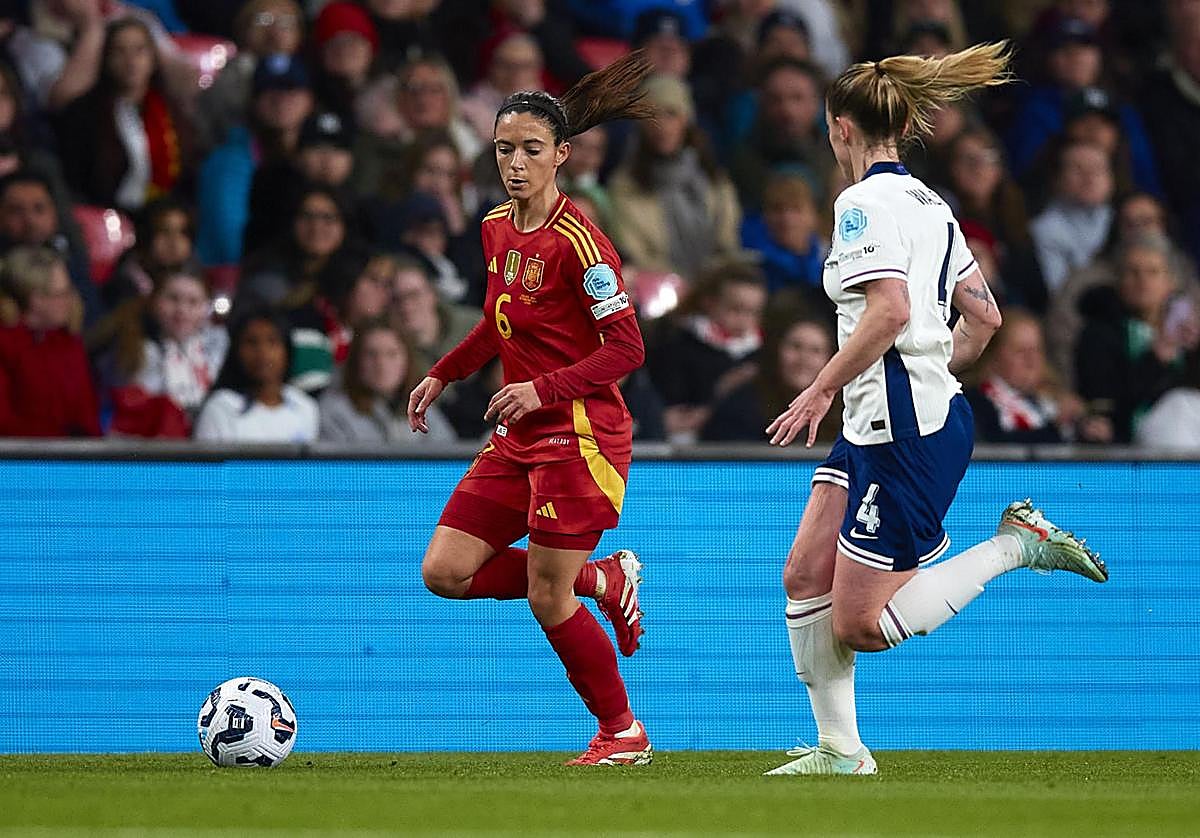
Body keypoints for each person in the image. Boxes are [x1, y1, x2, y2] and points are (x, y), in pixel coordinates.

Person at [762, 42, 1108, 777]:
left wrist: (822, 387)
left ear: (840, 128)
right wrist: (930, 373)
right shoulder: (931, 203)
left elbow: (888, 309)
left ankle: (1015, 546)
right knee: (804, 575)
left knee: (860, 624)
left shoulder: (860, 204)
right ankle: (840, 750)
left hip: (903, 436)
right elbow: (984, 316)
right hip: (889, 422)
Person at [406, 52, 656, 766]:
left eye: (531, 150)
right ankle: (601, 578)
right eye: (504, 149)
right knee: (445, 571)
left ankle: (623, 733)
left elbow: (628, 348)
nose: (515, 164)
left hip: (580, 433)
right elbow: (500, 320)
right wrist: (445, 373)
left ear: (561, 155)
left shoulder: (582, 243)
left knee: (549, 598)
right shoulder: (494, 226)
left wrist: (541, 390)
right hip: (521, 433)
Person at [0, 244, 99, 436]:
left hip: (71, 451)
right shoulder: (6, 347)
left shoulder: (69, 342)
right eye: (61, 294)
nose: (71, 301)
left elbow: (87, 414)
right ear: (35, 299)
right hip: (21, 452)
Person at [318, 319, 455, 445]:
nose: (381, 364)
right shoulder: (334, 411)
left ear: (407, 360)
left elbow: (448, 455)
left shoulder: (424, 407)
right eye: (371, 354)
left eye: (392, 354)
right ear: (356, 361)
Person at [193, 307, 318, 442]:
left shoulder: (305, 407)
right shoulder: (221, 408)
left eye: (272, 341)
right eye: (252, 342)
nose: (263, 352)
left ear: (287, 350)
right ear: (236, 351)